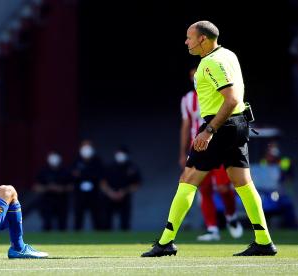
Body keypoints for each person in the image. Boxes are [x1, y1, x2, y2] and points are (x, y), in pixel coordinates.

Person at [142, 21, 276, 257]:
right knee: (244, 184)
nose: (186, 42)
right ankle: (264, 241)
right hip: (239, 124)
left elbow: (232, 98)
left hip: (220, 127)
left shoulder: (210, 63)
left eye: (189, 37)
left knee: (188, 179)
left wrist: (209, 131)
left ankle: (165, 242)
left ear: (203, 39)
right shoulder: (228, 55)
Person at [180, 68, 243, 241]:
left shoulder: (218, 93)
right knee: (203, 188)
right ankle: (212, 228)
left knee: (223, 186)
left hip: (218, 145)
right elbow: (186, 126)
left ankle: (231, 216)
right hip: (199, 148)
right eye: (192, 76)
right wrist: (183, 151)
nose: (195, 79)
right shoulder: (187, 100)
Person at [100, 146, 141, 230]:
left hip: (124, 198)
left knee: (125, 222)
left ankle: (126, 240)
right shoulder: (109, 167)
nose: (120, 156)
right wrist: (110, 193)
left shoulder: (132, 167)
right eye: (118, 153)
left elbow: (137, 184)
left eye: (122, 153)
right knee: (106, 222)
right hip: (109, 198)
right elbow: (102, 183)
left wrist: (124, 192)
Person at [33, 150, 72, 231]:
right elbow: (36, 187)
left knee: (62, 224)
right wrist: (48, 188)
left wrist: (61, 188)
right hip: (47, 201)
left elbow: (72, 186)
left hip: (62, 201)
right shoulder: (43, 171)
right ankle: (45, 242)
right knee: (47, 223)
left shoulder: (65, 171)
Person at [71, 139, 105, 230]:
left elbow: (101, 175)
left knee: (97, 217)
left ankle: (100, 238)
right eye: (84, 146)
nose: (86, 149)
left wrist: (83, 174)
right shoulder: (76, 161)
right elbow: (72, 175)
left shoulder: (97, 161)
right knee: (78, 217)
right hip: (79, 194)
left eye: (88, 147)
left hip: (94, 193)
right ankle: (76, 239)